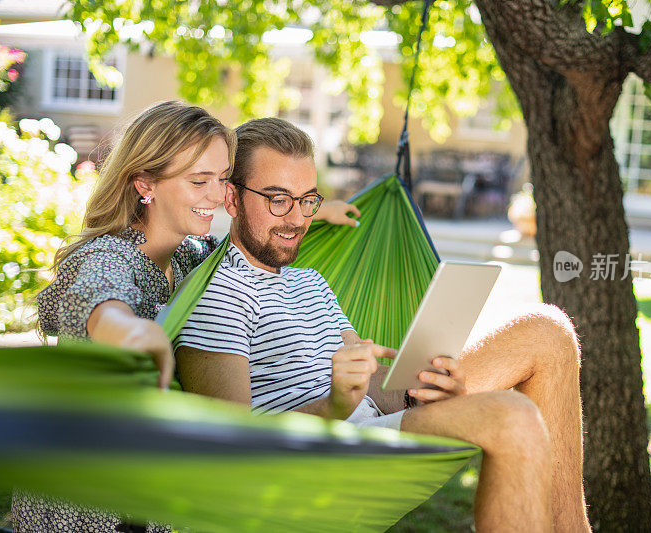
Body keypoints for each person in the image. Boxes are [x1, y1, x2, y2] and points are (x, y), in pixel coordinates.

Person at [175, 118, 592, 532]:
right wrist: (335, 406)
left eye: (307, 201)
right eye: (278, 199)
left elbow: (371, 386)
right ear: (231, 198)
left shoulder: (310, 281)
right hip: (319, 461)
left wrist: (433, 389)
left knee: (548, 331)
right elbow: (232, 452)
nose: (297, 220)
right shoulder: (218, 295)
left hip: (379, 419)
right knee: (511, 417)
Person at [14, 101, 360, 533]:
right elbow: (95, 296)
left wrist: (312, 209)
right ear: (145, 184)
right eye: (199, 181)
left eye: (221, 179)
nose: (217, 197)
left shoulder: (187, 258)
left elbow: (243, 247)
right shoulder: (106, 255)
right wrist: (128, 331)